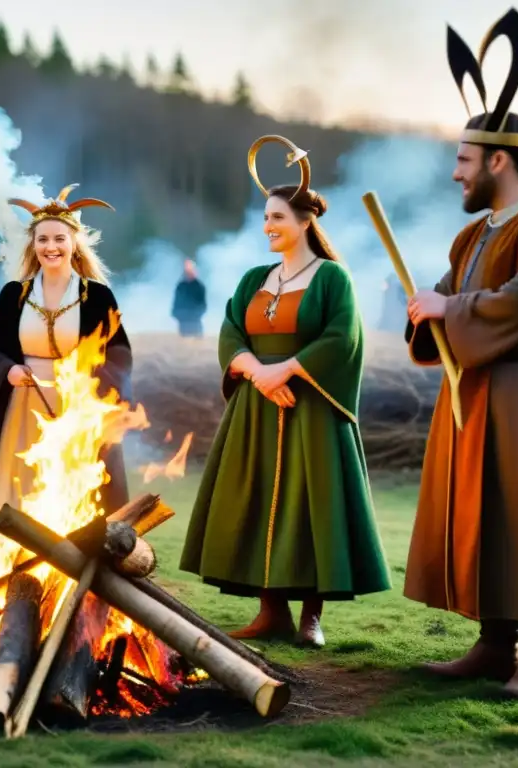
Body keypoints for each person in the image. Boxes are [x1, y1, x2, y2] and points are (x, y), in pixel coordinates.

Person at [403, 9, 518, 700]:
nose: (456, 175)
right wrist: (430, 305)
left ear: (498, 161)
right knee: (489, 515)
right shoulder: (473, 237)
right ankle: (494, 645)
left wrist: (452, 310)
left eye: (463, 161)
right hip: (479, 390)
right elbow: (450, 296)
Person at [179, 135, 390, 648]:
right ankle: (269, 612)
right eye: (266, 218)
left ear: (304, 223)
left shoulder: (332, 278)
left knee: (312, 506)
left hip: (310, 408)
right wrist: (254, 370)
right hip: (256, 408)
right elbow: (232, 329)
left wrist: (288, 370)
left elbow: (343, 338)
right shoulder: (255, 278)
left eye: (277, 218)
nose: (268, 227)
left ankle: (310, 619)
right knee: (256, 501)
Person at [0, 183, 132, 556]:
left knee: (76, 491)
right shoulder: (14, 295)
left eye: (59, 239)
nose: (51, 247)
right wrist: (7, 371)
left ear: (74, 243)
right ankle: (11, 560)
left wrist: (87, 382)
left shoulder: (97, 296)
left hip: (77, 408)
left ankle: (75, 562)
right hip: (23, 405)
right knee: (20, 487)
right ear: (32, 245)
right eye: (42, 239)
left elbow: (118, 354)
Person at [171, 258, 207, 337]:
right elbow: (176, 302)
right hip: (183, 321)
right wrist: (176, 313)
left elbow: (202, 304)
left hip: (195, 321)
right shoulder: (180, 286)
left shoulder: (199, 286)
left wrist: (196, 314)